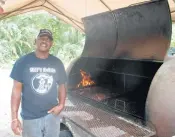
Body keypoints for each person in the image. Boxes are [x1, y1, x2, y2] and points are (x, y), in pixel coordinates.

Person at [10, 29, 67, 137]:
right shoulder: (23, 62)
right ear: (35, 41)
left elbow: (62, 85)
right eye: (41, 38)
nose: (44, 41)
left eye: (48, 39)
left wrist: (61, 105)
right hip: (30, 118)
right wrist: (14, 118)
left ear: (52, 43)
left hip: (52, 115)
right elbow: (16, 91)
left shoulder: (57, 63)